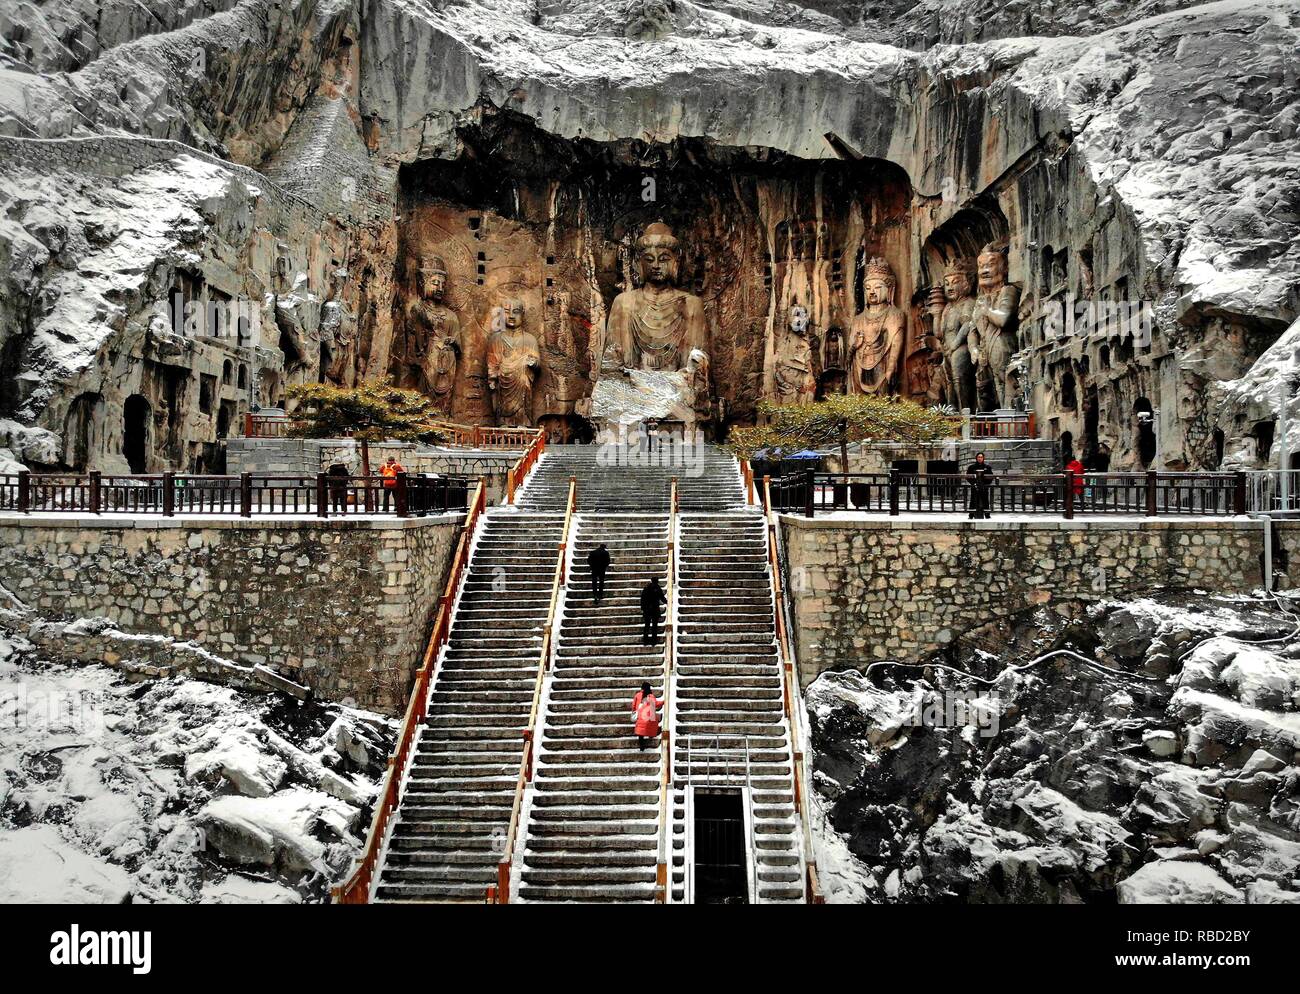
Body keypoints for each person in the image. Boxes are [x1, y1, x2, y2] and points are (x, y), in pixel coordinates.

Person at [631, 681, 662, 751]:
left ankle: (642, 746)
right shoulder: (651, 696)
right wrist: (663, 702)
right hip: (647, 717)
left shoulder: (637, 695)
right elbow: (656, 704)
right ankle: (650, 736)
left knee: (640, 730)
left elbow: (633, 705)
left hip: (640, 715)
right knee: (651, 720)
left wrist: (634, 711)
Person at [966, 451, 995, 519]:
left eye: (981, 457)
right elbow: (968, 476)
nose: (980, 458)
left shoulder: (987, 467)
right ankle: (971, 515)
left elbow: (991, 477)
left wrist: (986, 484)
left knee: (985, 501)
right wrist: (973, 483)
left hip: (984, 487)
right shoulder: (971, 467)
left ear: (983, 458)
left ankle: (987, 515)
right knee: (973, 500)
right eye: (978, 457)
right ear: (976, 458)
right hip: (975, 486)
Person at [640, 577, 667, 645]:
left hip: (648, 610)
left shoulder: (647, 588)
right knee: (654, 626)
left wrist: (643, 608)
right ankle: (653, 641)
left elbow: (642, 599)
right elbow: (662, 597)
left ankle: (646, 640)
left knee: (647, 626)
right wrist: (667, 602)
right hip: (654, 610)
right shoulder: (657, 588)